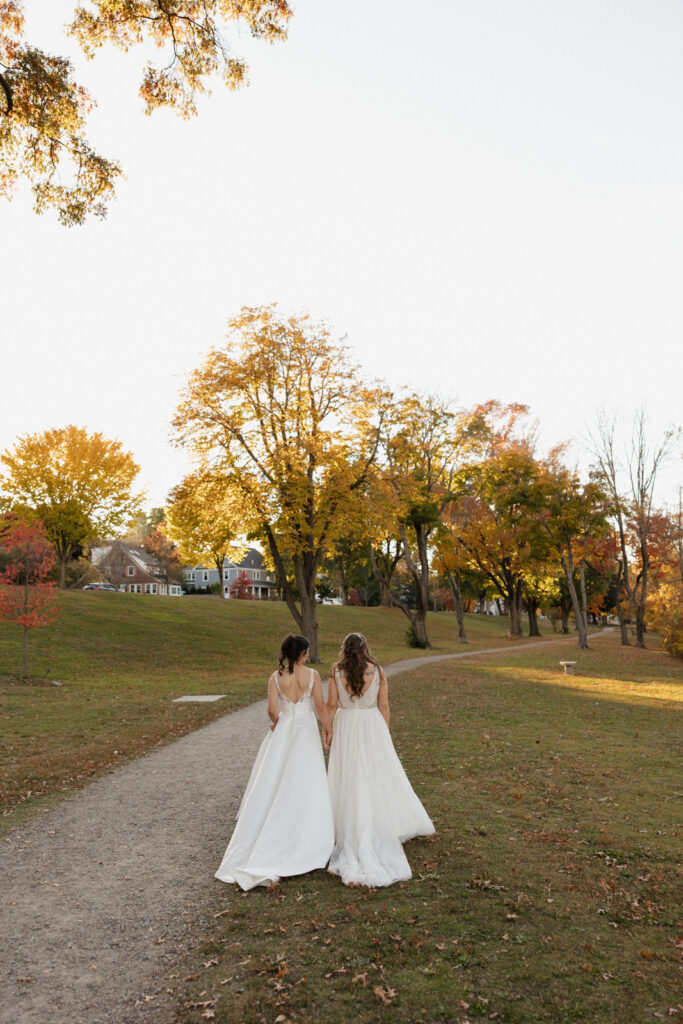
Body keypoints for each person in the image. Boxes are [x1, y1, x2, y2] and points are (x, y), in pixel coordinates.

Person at [215, 634, 334, 890]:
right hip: (306, 729)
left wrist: (281, 722)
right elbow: (321, 706)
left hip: (286, 725)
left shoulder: (276, 677)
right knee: (307, 777)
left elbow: (271, 710)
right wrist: (328, 728)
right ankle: (310, 833)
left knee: (278, 777)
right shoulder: (312, 675)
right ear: (302, 653)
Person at [325, 632, 434, 887]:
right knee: (375, 774)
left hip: (347, 725)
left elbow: (331, 705)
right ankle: (378, 820)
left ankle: (347, 823)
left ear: (344, 649)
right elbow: (384, 706)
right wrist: (385, 732)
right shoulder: (378, 671)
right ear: (365, 647)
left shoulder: (335, 672)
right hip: (372, 725)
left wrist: (327, 729)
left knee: (350, 774)